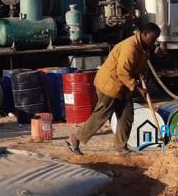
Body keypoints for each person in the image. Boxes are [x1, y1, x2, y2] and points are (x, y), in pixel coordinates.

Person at [66, 23, 161, 155]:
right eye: (154, 37)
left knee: (126, 116)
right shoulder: (130, 47)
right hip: (110, 84)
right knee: (101, 115)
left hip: (124, 86)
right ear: (144, 34)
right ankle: (75, 138)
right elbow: (122, 71)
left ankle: (121, 147)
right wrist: (138, 88)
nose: (155, 41)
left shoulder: (145, 48)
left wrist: (143, 73)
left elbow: (139, 64)